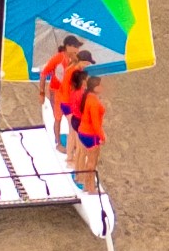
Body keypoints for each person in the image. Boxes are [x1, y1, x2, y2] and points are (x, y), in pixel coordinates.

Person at [33, 30, 112, 181]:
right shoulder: (73, 69)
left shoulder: (72, 66)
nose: (87, 65)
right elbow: (73, 90)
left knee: (72, 130)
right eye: (87, 62)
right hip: (64, 101)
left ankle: (71, 156)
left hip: (64, 100)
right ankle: (68, 156)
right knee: (71, 130)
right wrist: (42, 93)